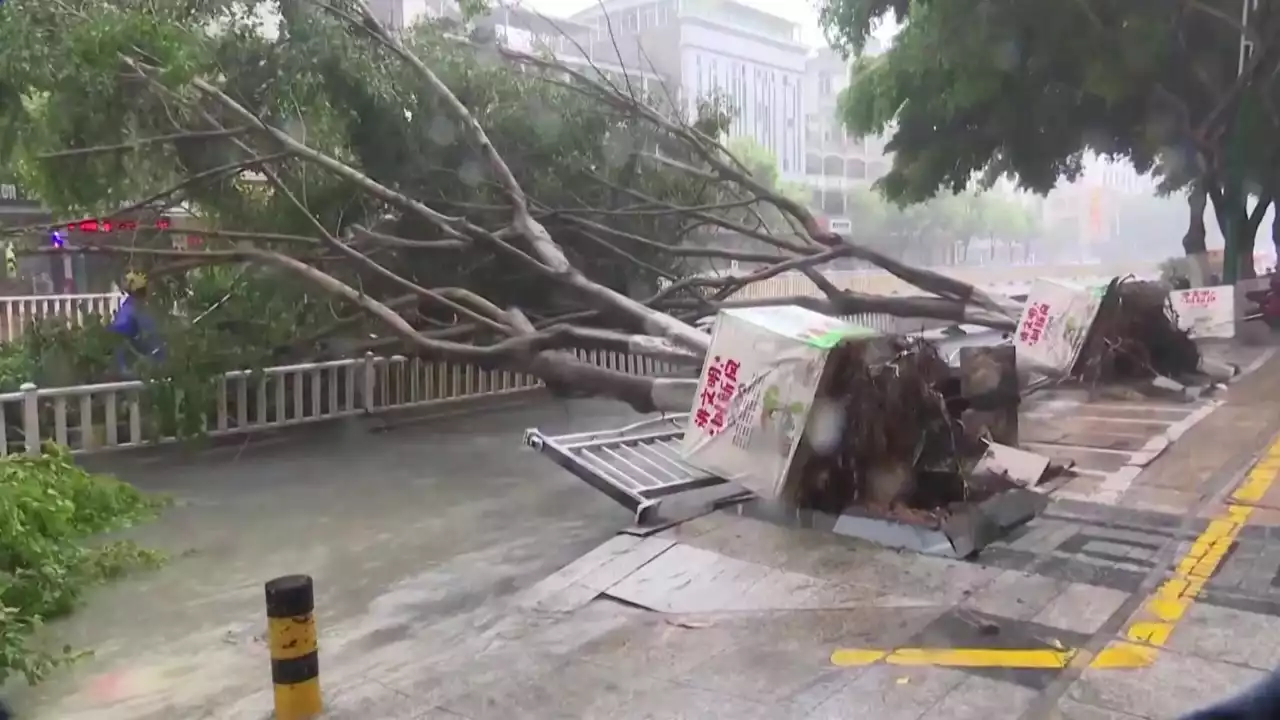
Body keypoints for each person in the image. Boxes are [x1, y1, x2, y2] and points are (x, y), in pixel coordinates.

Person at [108, 271, 164, 377]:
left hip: (148, 368)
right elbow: (119, 338)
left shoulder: (139, 309)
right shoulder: (131, 311)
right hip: (136, 370)